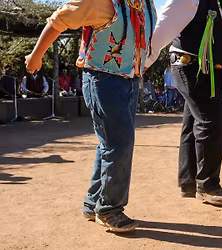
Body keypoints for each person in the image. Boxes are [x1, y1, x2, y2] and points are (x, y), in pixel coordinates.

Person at [25, 0, 157, 232]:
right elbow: (59, 20)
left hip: (130, 79)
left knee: (110, 142)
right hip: (102, 79)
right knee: (120, 142)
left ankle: (93, 202)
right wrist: (37, 55)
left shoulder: (145, 3)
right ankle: (109, 209)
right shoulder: (101, 2)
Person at [146, 0, 222, 205]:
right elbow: (162, 29)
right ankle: (208, 185)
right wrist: (143, 62)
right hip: (193, 67)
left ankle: (189, 182)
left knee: (193, 122)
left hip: (210, 69)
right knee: (210, 120)